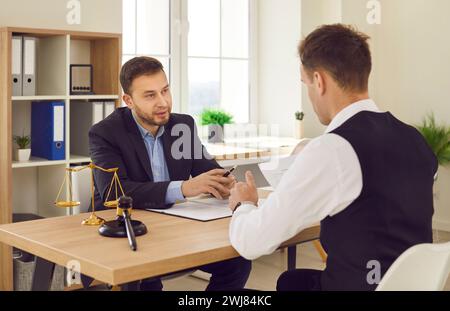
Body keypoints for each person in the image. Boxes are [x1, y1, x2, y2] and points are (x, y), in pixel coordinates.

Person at [228, 24, 438, 291]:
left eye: (306, 84)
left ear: (319, 81)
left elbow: (251, 242)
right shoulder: (415, 139)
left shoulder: (333, 149)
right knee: (292, 281)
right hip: (406, 285)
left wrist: (243, 205)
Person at [89, 56, 251, 291]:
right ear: (128, 100)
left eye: (165, 90)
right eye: (150, 95)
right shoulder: (105, 133)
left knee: (238, 260)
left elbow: (208, 170)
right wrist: (184, 188)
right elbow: (114, 192)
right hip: (128, 230)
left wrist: (223, 182)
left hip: (174, 226)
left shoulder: (181, 126)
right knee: (146, 278)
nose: (163, 102)